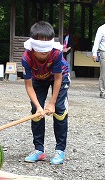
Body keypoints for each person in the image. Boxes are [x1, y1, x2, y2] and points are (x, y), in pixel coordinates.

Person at [21, 21, 70, 165]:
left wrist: (52, 103)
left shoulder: (56, 53)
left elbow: (58, 79)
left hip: (59, 78)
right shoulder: (27, 58)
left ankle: (60, 150)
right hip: (38, 80)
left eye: (46, 47)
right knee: (36, 112)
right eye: (40, 48)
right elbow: (29, 86)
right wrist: (39, 107)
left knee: (60, 111)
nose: (44, 52)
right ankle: (39, 150)